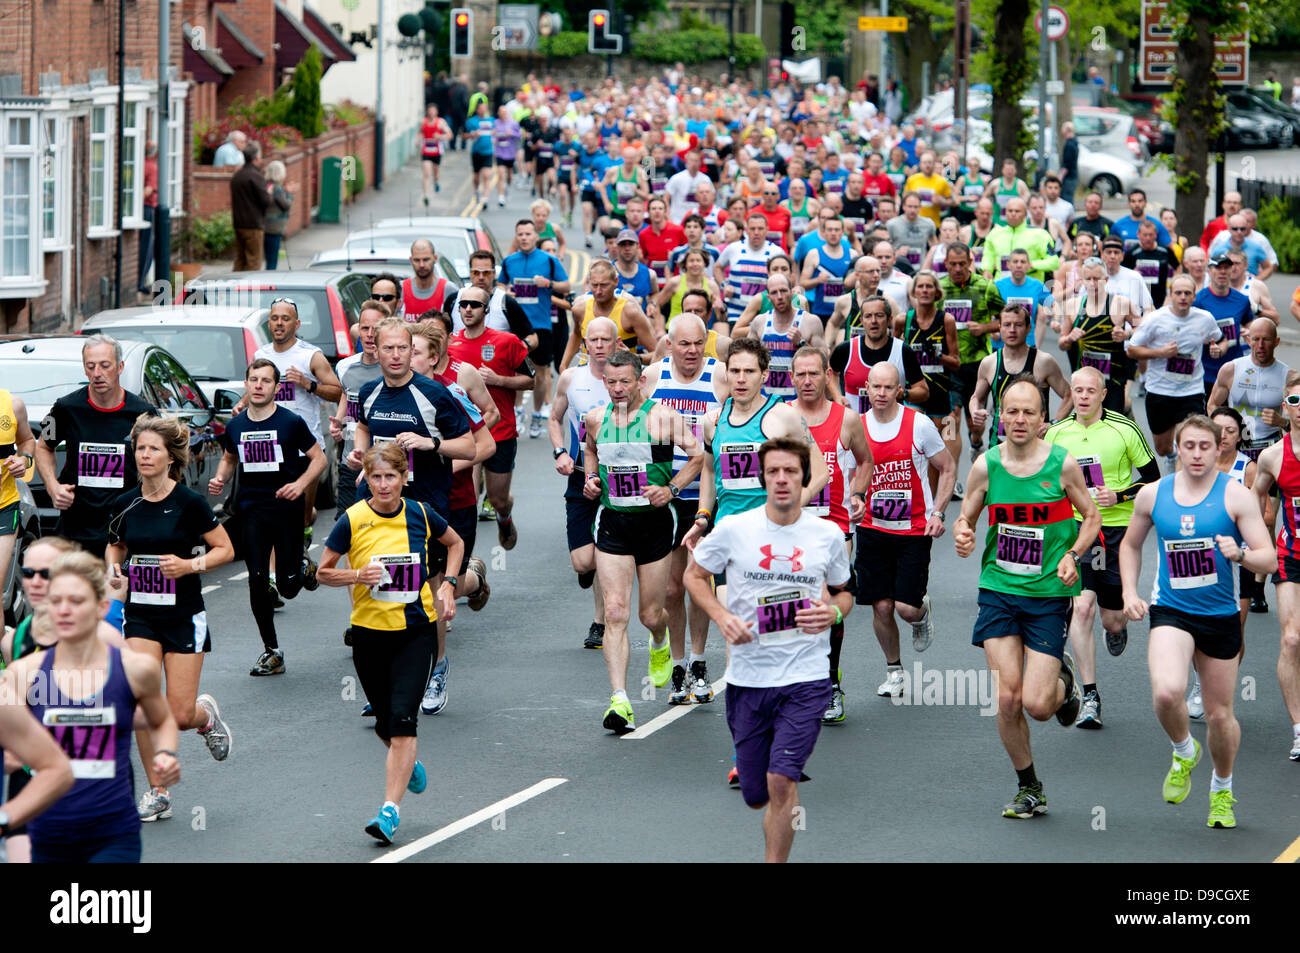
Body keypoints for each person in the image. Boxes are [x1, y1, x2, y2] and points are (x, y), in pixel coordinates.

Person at [684, 437, 853, 862]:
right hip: (748, 680)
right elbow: (693, 575)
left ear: (804, 478)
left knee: (782, 780)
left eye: (791, 472)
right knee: (757, 794)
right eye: (774, 471)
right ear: (762, 476)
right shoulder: (735, 529)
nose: (782, 480)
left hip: (806, 678)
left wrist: (832, 614)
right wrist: (722, 617)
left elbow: (845, 593)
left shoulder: (826, 534)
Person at [954, 377, 1100, 818]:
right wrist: (963, 533)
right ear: (1001, 416)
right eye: (1011, 411)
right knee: (1007, 698)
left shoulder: (1062, 465)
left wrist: (1074, 554)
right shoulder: (986, 465)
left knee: (1038, 705)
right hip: (999, 588)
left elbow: (1091, 517)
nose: (1019, 420)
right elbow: (968, 516)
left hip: (1049, 593)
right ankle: (1029, 786)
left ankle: (1065, 684)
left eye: (1029, 413)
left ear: (1043, 419)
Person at [1120, 415, 1274, 829]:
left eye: (1205, 446)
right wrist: (1129, 593)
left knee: (1220, 715)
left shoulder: (1236, 496)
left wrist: (1239, 554)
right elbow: (1130, 545)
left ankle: (1221, 788)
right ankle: (1184, 750)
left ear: (1219, 446)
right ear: (1176, 448)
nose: (1197, 454)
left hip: (1220, 615)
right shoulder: (1153, 495)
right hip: (1171, 610)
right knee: (1168, 693)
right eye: (1188, 446)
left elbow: (1269, 557)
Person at [319, 443, 463, 844]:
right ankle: (408, 762)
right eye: (376, 477)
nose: (384, 485)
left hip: (416, 632)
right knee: (385, 723)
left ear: (404, 479)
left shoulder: (419, 514)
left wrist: (448, 585)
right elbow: (322, 572)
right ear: (366, 478)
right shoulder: (352, 520)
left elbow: (455, 544)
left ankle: (388, 812)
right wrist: (356, 576)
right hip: (368, 634)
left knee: (403, 720)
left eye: (391, 477)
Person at [7, 552, 178, 862]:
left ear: (102, 608)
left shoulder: (135, 669)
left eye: (76, 601)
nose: (64, 611)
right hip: (47, 832)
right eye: (56, 601)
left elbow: (162, 718)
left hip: (112, 833)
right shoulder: (24, 673)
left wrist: (166, 754)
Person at [106, 414, 235, 822]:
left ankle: (205, 716)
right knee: (142, 703)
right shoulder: (124, 504)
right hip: (140, 615)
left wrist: (187, 566)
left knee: (178, 715)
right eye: (140, 448)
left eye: (153, 449)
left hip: (183, 616)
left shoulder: (189, 504)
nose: (145, 455)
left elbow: (224, 550)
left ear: (169, 457)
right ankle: (158, 791)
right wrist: (113, 570)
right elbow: (116, 546)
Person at [581, 350, 703, 734]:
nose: (617, 389)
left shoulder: (663, 418)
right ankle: (620, 700)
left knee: (650, 614)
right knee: (615, 612)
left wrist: (672, 488)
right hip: (613, 521)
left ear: (640, 382)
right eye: (611, 382)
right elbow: (588, 450)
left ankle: (660, 639)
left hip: (654, 523)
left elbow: (699, 455)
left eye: (624, 382)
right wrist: (590, 479)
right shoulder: (596, 419)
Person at [1046, 367, 1160, 728]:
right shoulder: (1056, 433)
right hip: (1077, 529)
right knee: (1082, 608)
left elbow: (1153, 479)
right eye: (1076, 390)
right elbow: (1045, 481)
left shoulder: (1124, 430)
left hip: (1117, 530)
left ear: (1103, 393)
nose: (1081, 396)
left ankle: (1118, 627)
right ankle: (1090, 695)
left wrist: (1120, 494)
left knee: (1110, 619)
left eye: (1089, 391)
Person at [208, 359, 326, 676]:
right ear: (246, 385)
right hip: (253, 512)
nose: (259, 385)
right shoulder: (235, 426)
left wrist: (299, 485)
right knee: (258, 580)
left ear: (276, 387)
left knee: (287, 587)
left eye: (266, 380)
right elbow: (230, 457)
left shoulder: (291, 422)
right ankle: (271, 651)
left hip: (287, 512)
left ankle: (301, 567)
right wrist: (220, 478)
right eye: (253, 380)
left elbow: (319, 458)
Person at [857, 360, 956, 700]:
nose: (881, 393)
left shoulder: (919, 424)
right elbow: (845, 473)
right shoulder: (856, 427)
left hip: (913, 529)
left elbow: (947, 467)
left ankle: (922, 611)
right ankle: (894, 670)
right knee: (882, 607)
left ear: (899, 389)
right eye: (876, 387)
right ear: (866, 388)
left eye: (888, 387)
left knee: (905, 608)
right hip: (872, 527)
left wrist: (938, 512)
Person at [643, 314, 729, 703]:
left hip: (707, 494)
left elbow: (731, 428)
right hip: (667, 494)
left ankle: (697, 662)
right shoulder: (653, 376)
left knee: (700, 584)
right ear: (669, 344)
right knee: (674, 588)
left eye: (698, 343)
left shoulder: (720, 375)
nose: (692, 351)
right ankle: (677, 664)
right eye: (684, 344)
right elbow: (636, 430)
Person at [35, 335, 157, 557]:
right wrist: (53, 487)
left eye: (104, 366)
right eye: (90, 367)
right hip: (76, 528)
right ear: (84, 369)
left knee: (115, 591)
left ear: (120, 367)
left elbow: (162, 464)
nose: (97, 374)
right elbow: (43, 446)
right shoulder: (66, 408)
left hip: (125, 528)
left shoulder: (143, 413)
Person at [250, 298, 343, 555]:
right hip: (270, 447)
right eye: (275, 318)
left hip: (306, 449)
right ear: (269, 322)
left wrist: (307, 384)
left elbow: (337, 392)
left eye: (286, 318)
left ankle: (305, 525)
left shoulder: (309, 355)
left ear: (297, 323)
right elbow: (255, 391)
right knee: (273, 508)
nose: (279, 323)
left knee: (301, 511)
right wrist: (242, 406)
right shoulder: (261, 355)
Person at [447, 285, 535, 556]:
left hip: (500, 430)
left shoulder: (506, 341)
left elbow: (531, 380)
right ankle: (463, 560)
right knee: (467, 500)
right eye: (464, 305)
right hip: (465, 435)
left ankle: (504, 517)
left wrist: (500, 380)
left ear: (486, 310)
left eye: (475, 304)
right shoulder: (450, 344)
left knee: (497, 498)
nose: (468, 309)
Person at [549, 317, 615, 650]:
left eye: (606, 339)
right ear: (584, 345)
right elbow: (554, 417)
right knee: (583, 562)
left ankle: (599, 624)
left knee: (605, 552)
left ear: (616, 344)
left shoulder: (627, 380)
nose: (600, 345)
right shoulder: (572, 378)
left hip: (617, 478)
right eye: (594, 340)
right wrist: (560, 451)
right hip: (578, 474)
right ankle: (588, 567)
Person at [1126, 275, 1227, 463]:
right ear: (1170, 295)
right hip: (1159, 391)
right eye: (1178, 293)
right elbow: (1131, 350)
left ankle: (1184, 483)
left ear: (1194, 297)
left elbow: (1221, 340)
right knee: (1162, 448)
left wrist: (1218, 350)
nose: (1183, 297)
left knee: (1190, 441)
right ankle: (1172, 456)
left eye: (1187, 293)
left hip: (1191, 391)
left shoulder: (1205, 319)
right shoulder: (1155, 319)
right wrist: (1160, 352)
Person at [498, 219, 570, 439]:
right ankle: (518, 411)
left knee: (539, 374)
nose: (524, 238)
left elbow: (566, 286)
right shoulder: (509, 261)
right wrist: (506, 293)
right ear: (516, 236)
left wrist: (548, 284)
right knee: (517, 371)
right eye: (520, 234)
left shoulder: (548, 260)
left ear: (535, 237)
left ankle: (537, 413)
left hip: (541, 325)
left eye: (528, 234)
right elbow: (500, 285)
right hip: (515, 325)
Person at [968, 305, 1072, 449]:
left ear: (1028, 328)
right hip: (999, 444)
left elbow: (1069, 395)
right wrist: (975, 410)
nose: (1012, 330)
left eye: (1018, 325)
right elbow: (977, 398)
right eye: (1007, 325)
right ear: (999, 328)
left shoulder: (1043, 362)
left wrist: (1054, 423)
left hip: (1036, 446)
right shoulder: (989, 363)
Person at [938, 242, 1005, 462]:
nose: (958, 269)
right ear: (946, 264)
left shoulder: (985, 287)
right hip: (949, 363)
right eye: (953, 264)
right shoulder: (939, 289)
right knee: (951, 418)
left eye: (962, 264)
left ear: (970, 262)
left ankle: (976, 442)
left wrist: (985, 328)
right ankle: (950, 468)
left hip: (978, 363)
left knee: (974, 422)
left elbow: (1007, 319)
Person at [1053, 256, 1139, 415]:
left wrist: (1126, 334)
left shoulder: (1122, 303)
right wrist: (1069, 338)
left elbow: (1141, 328)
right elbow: (1061, 343)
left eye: (1097, 279)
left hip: (1113, 381)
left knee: (1111, 428)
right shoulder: (1073, 306)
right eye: (1088, 279)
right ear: (1082, 281)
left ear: (1106, 279)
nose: (1092, 284)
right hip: (1084, 383)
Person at [332, 300, 388, 516]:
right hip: (351, 460)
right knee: (346, 530)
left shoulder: (393, 369)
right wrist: (339, 421)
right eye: (365, 328)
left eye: (376, 329)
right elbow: (347, 394)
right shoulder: (345, 366)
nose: (370, 334)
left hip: (385, 465)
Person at [829, 293, 928, 413]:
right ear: (862, 320)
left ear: (890, 319)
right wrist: (837, 397)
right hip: (856, 426)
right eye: (868, 316)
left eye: (879, 315)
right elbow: (830, 373)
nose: (873, 321)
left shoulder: (903, 351)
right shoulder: (846, 349)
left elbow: (923, 391)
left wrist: (903, 394)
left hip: (891, 426)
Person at [230, 141, 272, 272]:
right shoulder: (255, 176)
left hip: (238, 223)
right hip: (253, 224)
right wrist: (269, 192)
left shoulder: (237, 176)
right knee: (253, 261)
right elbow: (266, 201)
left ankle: (233, 288)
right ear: (256, 158)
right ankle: (248, 291)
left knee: (240, 260)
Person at [402, 239, 456, 320]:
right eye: (417, 260)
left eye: (426, 259)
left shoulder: (448, 289)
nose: (421, 265)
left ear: (435, 258)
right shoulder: (401, 289)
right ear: (411, 260)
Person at [261, 160, 293, 271]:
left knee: (268, 258)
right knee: (272, 262)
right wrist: (289, 194)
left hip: (265, 225)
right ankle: (269, 284)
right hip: (274, 228)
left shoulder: (265, 184)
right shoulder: (277, 188)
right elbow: (285, 206)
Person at [137, 142, 159, 294]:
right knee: (146, 247)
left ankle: (139, 280)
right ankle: (140, 281)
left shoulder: (140, 164)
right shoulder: (152, 166)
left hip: (139, 209)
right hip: (147, 208)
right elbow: (149, 189)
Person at [420, 105, 451, 204]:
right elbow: (420, 132)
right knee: (427, 173)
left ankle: (436, 182)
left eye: (433, 111)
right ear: (427, 112)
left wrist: (440, 136)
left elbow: (450, 135)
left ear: (436, 112)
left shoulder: (441, 122)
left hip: (437, 151)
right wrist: (417, 140)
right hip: (426, 151)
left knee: (435, 173)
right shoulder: (423, 122)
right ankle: (426, 195)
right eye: (430, 111)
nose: (431, 113)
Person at [1058, 123, 1078, 200]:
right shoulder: (1075, 142)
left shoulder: (1069, 145)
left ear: (1066, 130)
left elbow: (1067, 163)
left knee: (1067, 198)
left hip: (1069, 177)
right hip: (1073, 175)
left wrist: (1060, 177)